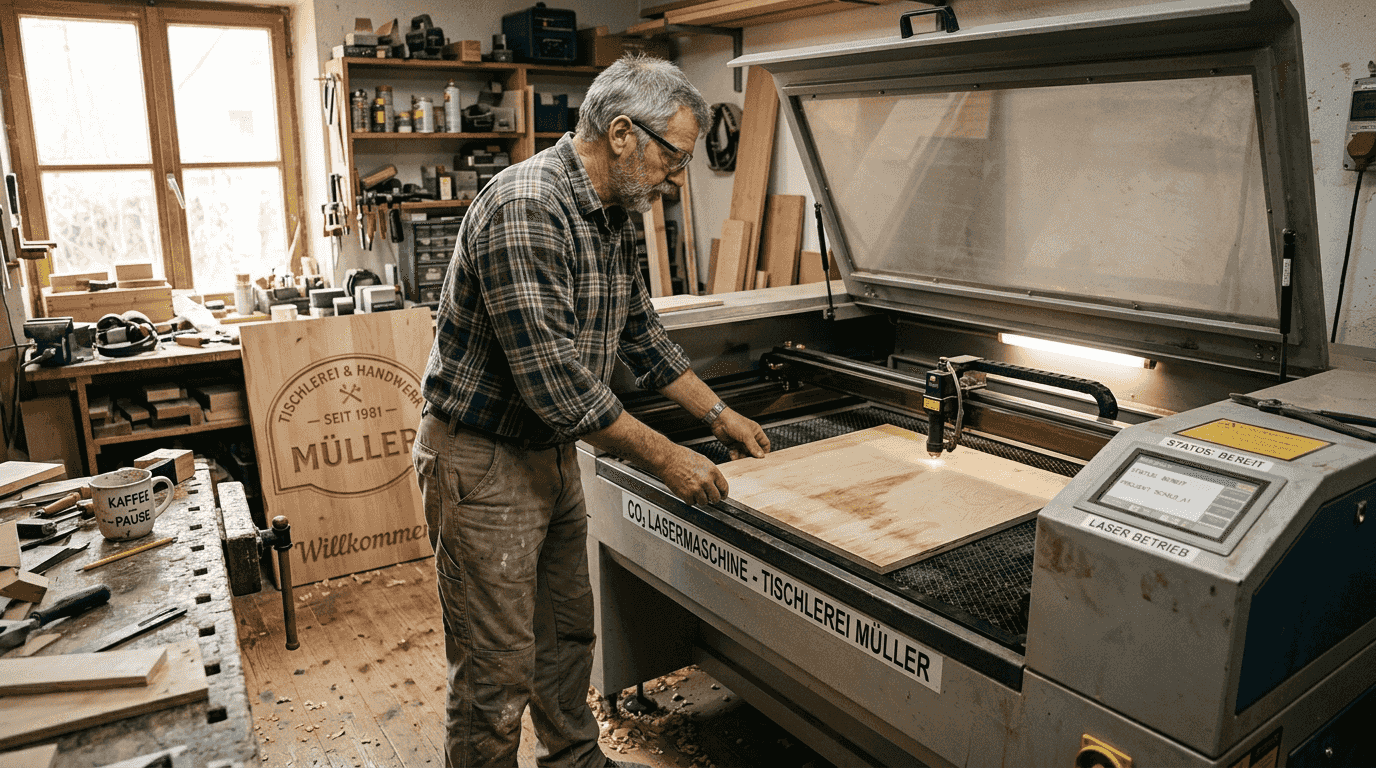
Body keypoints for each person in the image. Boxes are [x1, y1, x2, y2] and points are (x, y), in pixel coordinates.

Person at [413, 55, 771, 768]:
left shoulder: (613, 214)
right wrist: (667, 457)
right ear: (621, 133)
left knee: (565, 638)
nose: (678, 178)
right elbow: (556, 384)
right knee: (495, 669)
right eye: (675, 157)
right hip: (482, 461)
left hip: (549, 451)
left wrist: (718, 414)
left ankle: (575, 761)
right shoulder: (528, 206)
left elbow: (641, 332)